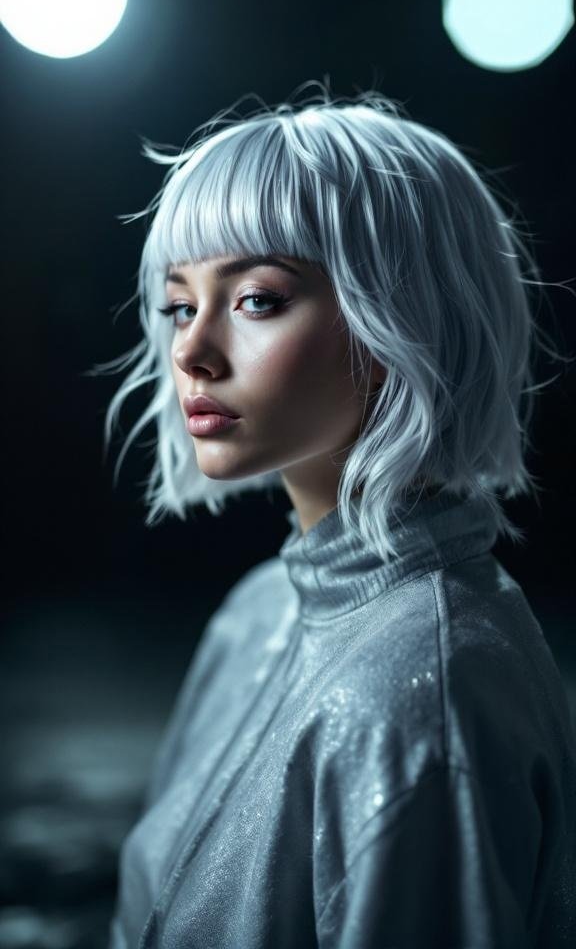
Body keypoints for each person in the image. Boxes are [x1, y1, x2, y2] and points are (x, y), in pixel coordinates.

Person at [92, 80, 576, 947]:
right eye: (179, 305)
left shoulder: (427, 695)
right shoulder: (257, 611)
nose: (193, 352)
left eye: (258, 300)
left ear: (406, 315)